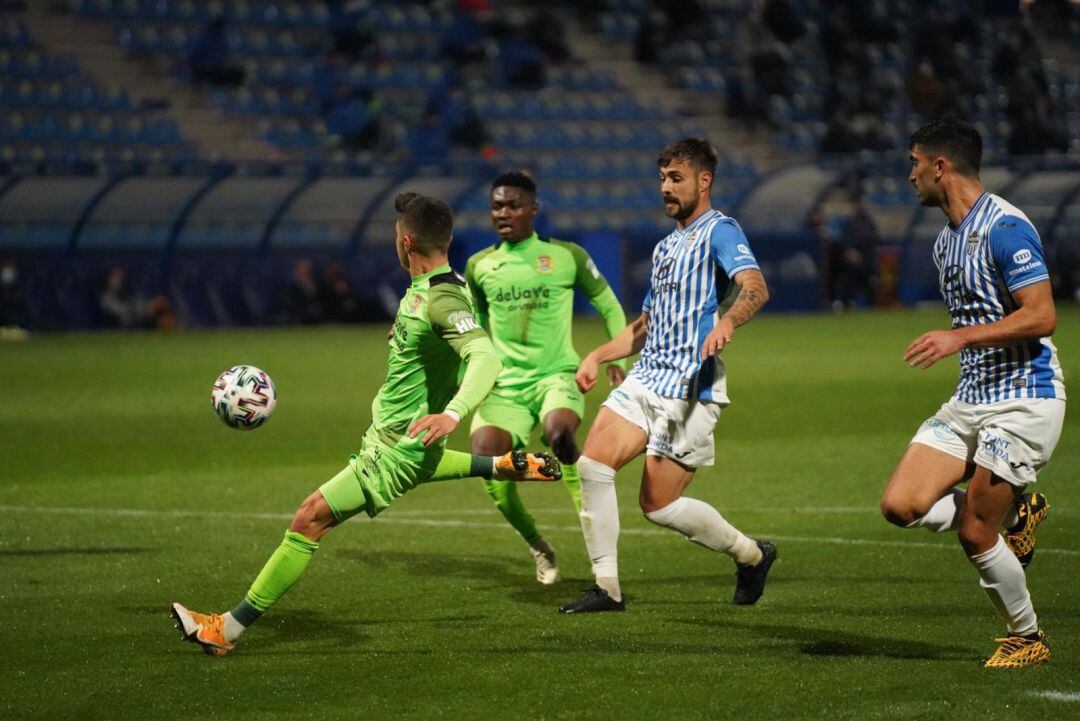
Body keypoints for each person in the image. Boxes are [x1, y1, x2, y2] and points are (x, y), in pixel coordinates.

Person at [172, 193, 562, 656]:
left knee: (309, 518)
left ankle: (225, 631)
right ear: (449, 240)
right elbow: (436, 347)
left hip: (395, 447)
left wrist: (453, 412)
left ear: (406, 241)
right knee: (422, 460)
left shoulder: (440, 299)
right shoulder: (433, 290)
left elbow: (485, 356)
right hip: (407, 443)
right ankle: (501, 465)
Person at [558, 138, 777, 614]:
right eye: (661, 179)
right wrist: (596, 355)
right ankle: (608, 588)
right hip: (645, 379)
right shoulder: (664, 247)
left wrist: (727, 321)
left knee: (657, 506)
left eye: (676, 178)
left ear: (704, 181)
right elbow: (645, 326)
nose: (665, 188)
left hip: (691, 389)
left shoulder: (721, 230)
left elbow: (755, 287)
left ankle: (752, 555)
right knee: (592, 465)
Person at [879, 116, 1065, 668]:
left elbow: (1043, 315)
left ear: (941, 166)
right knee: (900, 504)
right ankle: (1019, 515)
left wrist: (958, 337)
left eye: (914, 163)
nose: (909, 175)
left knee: (974, 530)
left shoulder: (1006, 228)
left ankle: (1027, 637)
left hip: (1024, 397)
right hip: (970, 399)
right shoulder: (944, 243)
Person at [465, 172, 628, 584]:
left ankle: (600, 559)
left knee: (560, 436)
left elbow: (608, 304)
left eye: (513, 205)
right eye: (497, 206)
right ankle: (538, 544)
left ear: (534, 211)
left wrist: (618, 359)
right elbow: (474, 328)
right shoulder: (480, 265)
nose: (504, 213)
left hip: (557, 376)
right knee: (486, 459)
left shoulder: (565, 256)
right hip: (504, 387)